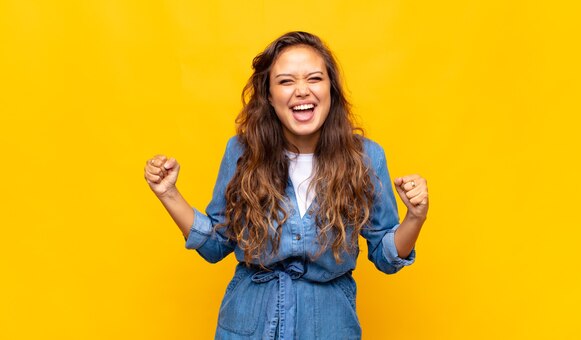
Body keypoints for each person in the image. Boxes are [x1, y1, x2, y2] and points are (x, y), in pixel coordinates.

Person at [144, 31, 429, 339]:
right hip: (248, 326)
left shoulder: (367, 157)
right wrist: (168, 193)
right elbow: (215, 246)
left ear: (331, 89)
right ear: (268, 95)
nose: (302, 91)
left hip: (331, 326)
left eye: (314, 78)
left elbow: (387, 258)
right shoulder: (242, 153)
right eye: (286, 81)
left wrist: (415, 216)